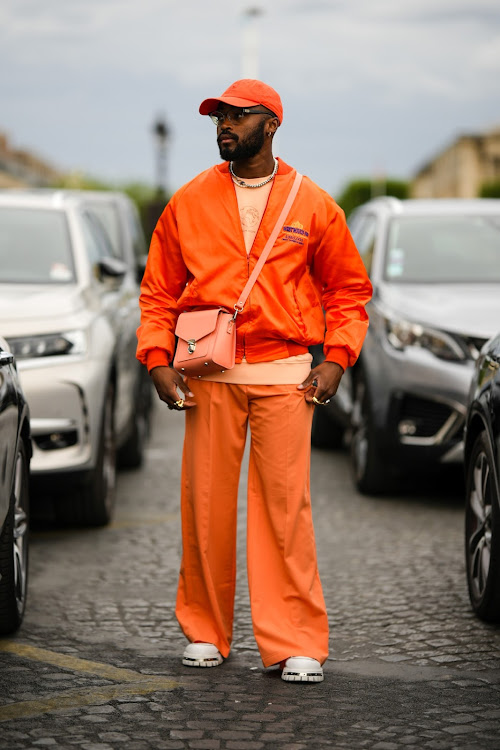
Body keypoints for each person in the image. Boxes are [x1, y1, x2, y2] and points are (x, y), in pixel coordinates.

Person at [137, 79, 372, 683]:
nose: (224, 125)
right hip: (209, 374)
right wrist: (157, 360)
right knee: (206, 508)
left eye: (238, 117)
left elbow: (348, 292)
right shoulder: (188, 200)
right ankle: (206, 632)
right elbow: (158, 291)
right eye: (218, 117)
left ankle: (294, 641)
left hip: (287, 376)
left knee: (284, 513)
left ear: (271, 125)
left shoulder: (313, 203)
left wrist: (337, 359)